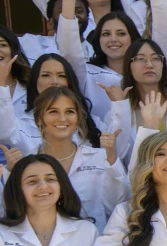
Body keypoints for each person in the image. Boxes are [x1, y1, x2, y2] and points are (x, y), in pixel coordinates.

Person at [3, 86, 127, 232]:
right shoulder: (26, 164)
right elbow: (12, 210)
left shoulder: (100, 157)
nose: (62, 118)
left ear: (78, 118)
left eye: (69, 111)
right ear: (39, 119)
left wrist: (111, 158)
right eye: (53, 111)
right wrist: (12, 171)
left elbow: (118, 204)